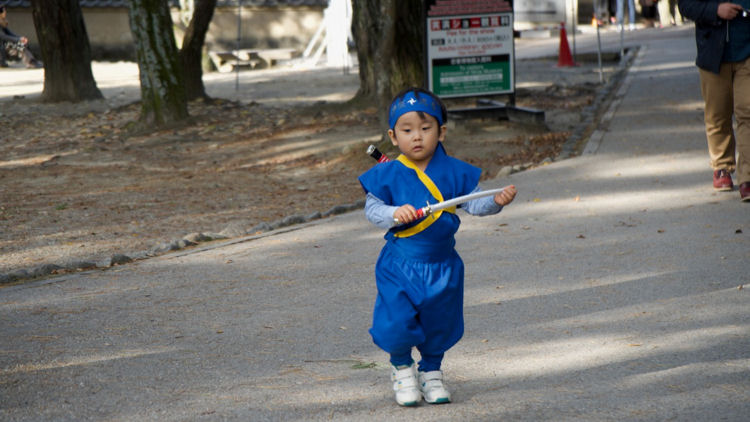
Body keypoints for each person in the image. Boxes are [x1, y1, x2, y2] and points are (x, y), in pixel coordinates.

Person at [358, 88, 518, 406]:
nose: (416, 137)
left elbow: (475, 203)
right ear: (393, 135)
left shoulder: (454, 171)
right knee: (396, 320)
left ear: (441, 131)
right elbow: (372, 210)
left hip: (443, 265)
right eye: (407, 130)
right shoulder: (387, 174)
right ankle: (402, 368)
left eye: (425, 128)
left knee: (439, 323)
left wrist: (495, 202)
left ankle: (431, 371)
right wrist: (393, 213)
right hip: (400, 265)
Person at [679, 0, 750, 201]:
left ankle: (748, 177)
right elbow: (686, 5)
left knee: (748, 111)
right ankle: (722, 166)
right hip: (713, 52)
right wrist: (715, 10)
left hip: (747, 49)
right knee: (718, 113)